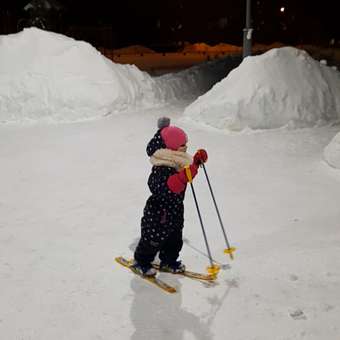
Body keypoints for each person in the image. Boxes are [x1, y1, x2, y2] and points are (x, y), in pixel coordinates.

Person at [132, 117, 208, 277]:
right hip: (159, 212)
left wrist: (196, 163)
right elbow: (172, 185)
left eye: (186, 144)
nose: (186, 147)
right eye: (182, 145)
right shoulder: (162, 167)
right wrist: (190, 169)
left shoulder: (179, 162)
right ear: (172, 147)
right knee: (152, 239)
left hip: (175, 209)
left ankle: (169, 260)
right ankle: (141, 261)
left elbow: (185, 175)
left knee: (175, 238)